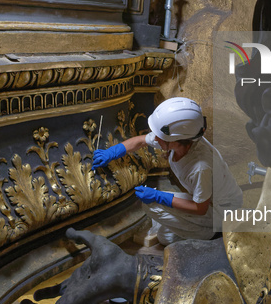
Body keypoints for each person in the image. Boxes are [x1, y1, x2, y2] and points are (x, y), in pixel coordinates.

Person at [93, 97, 242, 245]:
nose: (155, 139)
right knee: (166, 237)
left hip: (222, 212)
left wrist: (159, 196)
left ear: (177, 139)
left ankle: (214, 235)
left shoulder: (200, 167)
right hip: (210, 202)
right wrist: (111, 152)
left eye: (161, 137)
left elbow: (200, 208)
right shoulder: (181, 140)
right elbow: (141, 141)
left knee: (152, 205)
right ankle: (197, 231)